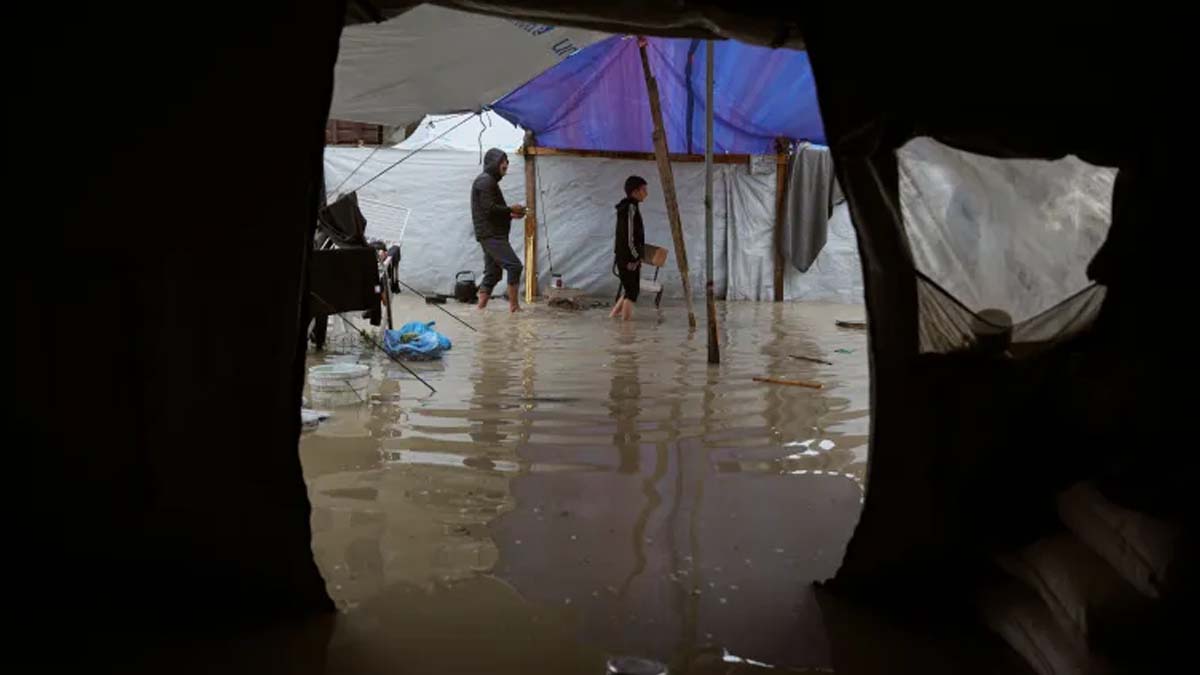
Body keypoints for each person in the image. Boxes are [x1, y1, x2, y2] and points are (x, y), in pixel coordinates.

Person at [472, 148, 526, 312]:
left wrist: (510, 214)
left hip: (490, 233)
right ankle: (514, 307)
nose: (506, 165)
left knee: (493, 272)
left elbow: (491, 210)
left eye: (507, 161)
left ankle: (479, 310)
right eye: (503, 161)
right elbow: (489, 209)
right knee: (514, 266)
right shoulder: (485, 181)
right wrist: (510, 209)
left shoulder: (488, 181)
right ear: (493, 162)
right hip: (491, 234)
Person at [610, 176, 648, 321]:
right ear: (635, 191)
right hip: (628, 258)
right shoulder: (630, 208)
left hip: (625, 256)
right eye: (644, 190)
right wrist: (635, 257)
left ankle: (612, 318)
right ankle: (625, 329)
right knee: (632, 293)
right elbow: (629, 236)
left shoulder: (629, 207)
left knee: (630, 291)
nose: (646, 193)